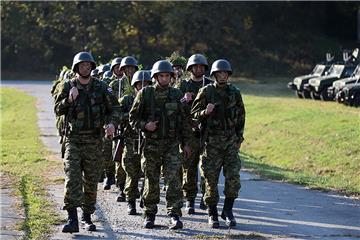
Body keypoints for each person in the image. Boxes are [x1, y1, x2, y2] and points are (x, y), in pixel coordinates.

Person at [54, 51, 119, 233]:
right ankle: (72, 218)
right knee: (72, 177)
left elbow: (115, 108)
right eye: (81, 65)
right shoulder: (68, 86)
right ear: (76, 67)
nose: (85, 68)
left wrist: (112, 124)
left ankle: (87, 217)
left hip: (94, 141)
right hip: (73, 140)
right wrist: (69, 98)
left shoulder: (101, 87)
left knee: (90, 181)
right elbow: (58, 109)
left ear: (92, 67)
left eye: (88, 65)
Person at [129, 60, 192, 229]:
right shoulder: (145, 94)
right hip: (151, 144)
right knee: (151, 180)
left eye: (167, 76)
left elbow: (184, 122)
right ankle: (149, 214)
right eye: (161, 76)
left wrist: (186, 144)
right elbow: (132, 118)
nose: (164, 79)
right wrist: (145, 125)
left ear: (172, 77)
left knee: (173, 179)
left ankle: (174, 214)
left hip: (172, 144)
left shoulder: (177, 94)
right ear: (155, 77)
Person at [191, 59, 245, 228]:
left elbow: (241, 116)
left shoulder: (235, 92)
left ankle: (228, 211)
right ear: (214, 75)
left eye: (225, 73)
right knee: (210, 180)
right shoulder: (206, 91)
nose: (222, 75)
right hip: (211, 143)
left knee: (233, 179)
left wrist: (239, 138)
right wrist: (204, 112)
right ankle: (212, 213)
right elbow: (193, 115)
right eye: (219, 73)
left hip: (230, 142)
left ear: (228, 75)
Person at [177, 53, 213, 214]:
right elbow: (173, 105)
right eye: (195, 66)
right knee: (189, 167)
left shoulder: (210, 85)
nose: (198, 69)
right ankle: (189, 199)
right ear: (190, 68)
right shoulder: (183, 85)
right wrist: (185, 99)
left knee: (207, 168)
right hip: (188, 132)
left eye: (201, 67)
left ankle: (206, 197)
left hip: (207, 132)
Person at [118, 70, 152, 215]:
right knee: (132, 175)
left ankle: (146, 199)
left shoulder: (153, 100)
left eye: (146, 84)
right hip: (131, 142)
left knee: (148, 175)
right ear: (135, 86)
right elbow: (116, 115)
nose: (143, 87)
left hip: (148, 143)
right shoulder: (126, 100)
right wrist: (131, 114)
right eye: (140, 84)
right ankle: (131, 202)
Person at [110, 56, 138, 202]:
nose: (129, 71)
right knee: (119, 160)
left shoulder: (140, 82)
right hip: (121, 126)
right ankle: (121, 187)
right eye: (126, 68)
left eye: (131, 68)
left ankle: (133, 188)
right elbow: (113, 105)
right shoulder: (116, 84)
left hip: (136, 129)